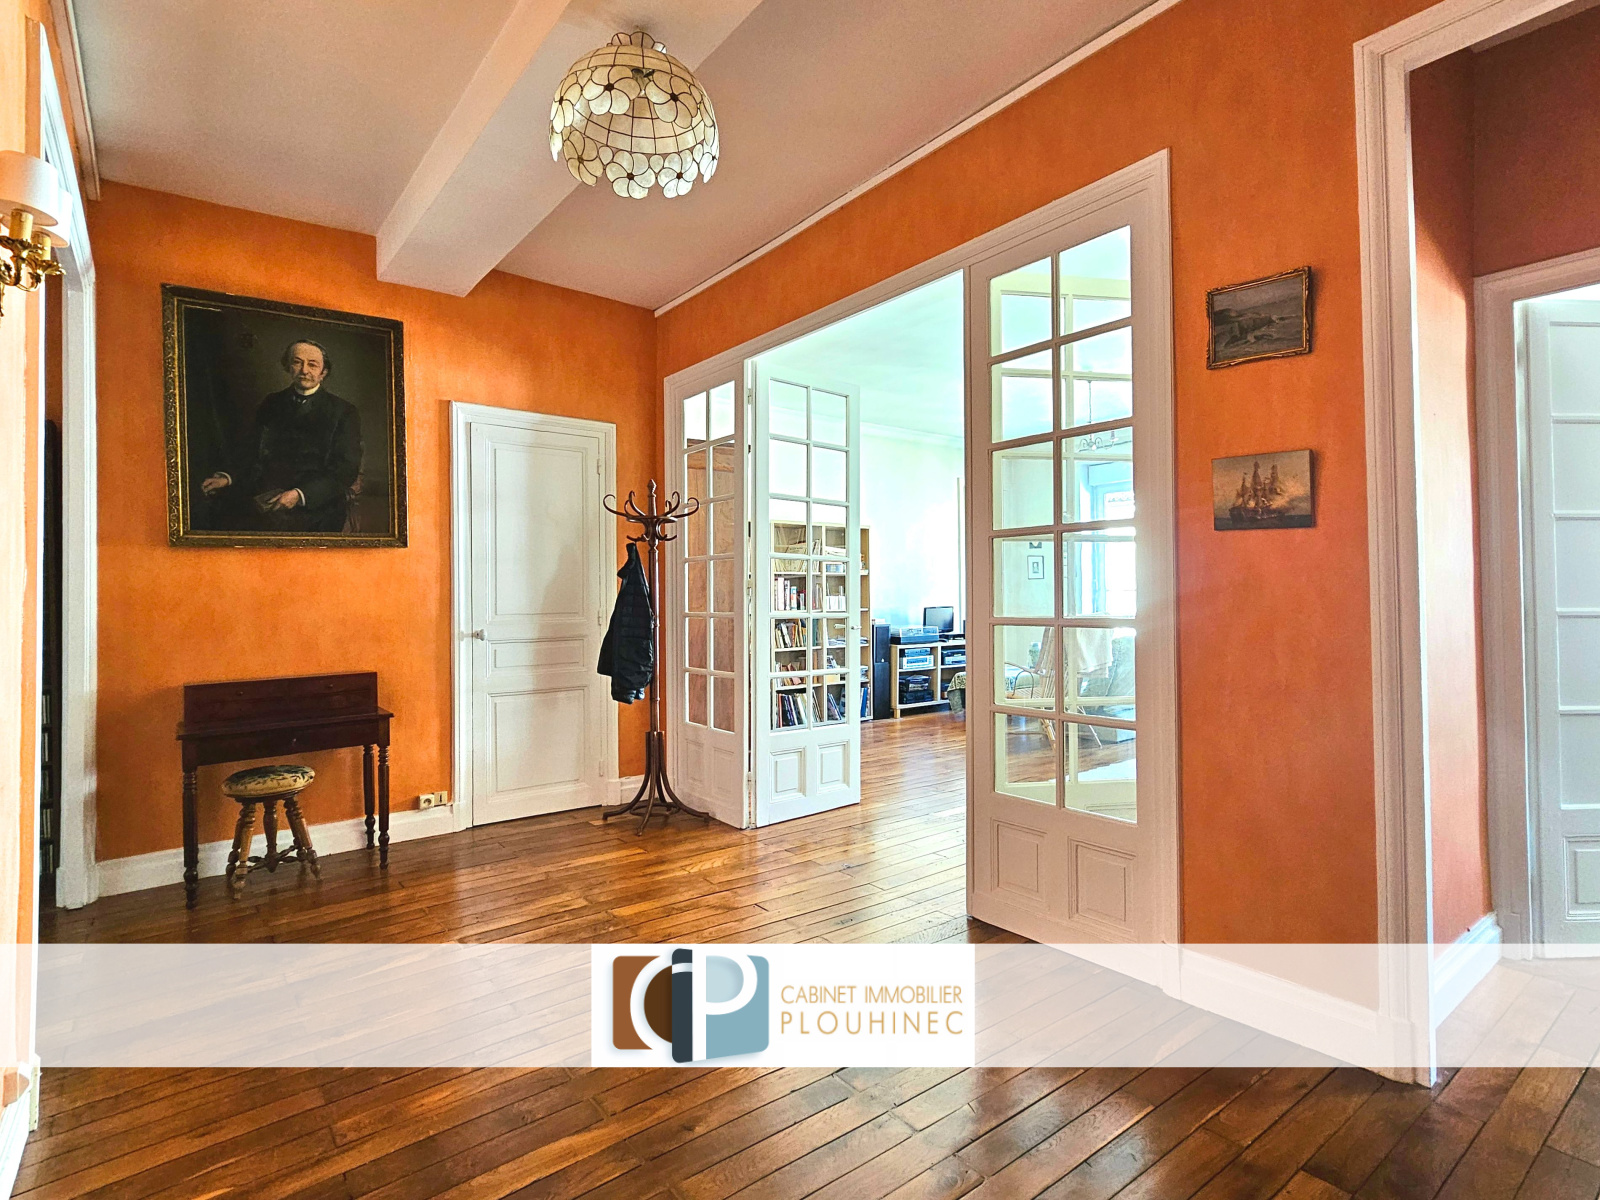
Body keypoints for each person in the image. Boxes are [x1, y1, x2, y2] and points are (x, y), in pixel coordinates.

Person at [200, 339, 362, 533]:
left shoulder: (343, 411)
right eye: (297, 362)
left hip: (315, 503)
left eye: (312, 364)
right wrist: (228, 477)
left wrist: (300, 495)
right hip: (266, 494)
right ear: (288, 367)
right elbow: (252, 449)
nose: (304, 370)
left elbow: (345, 469)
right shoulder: (272, 402)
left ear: (323, 372)